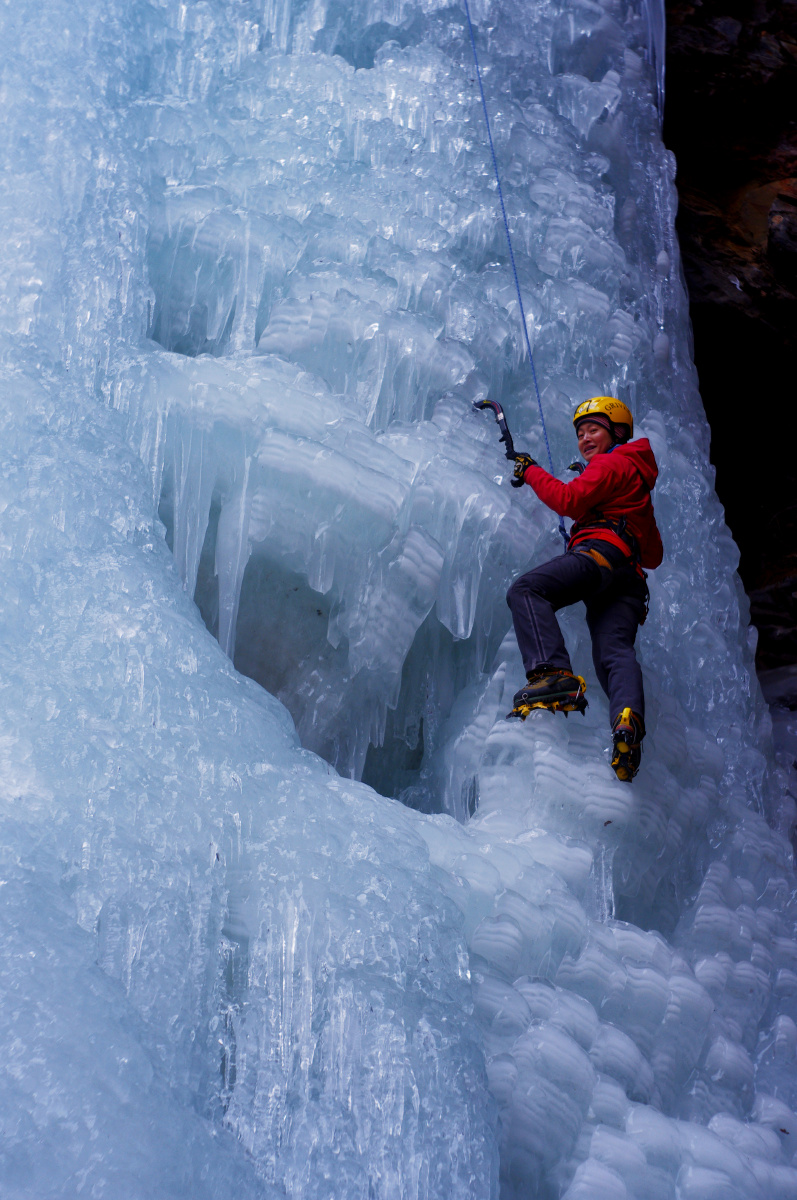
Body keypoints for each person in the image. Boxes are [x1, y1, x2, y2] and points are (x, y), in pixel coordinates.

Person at [506, 396, 663, 782]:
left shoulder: (612, 462)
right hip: (628, 582)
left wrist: (531, 471)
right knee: (613, 655)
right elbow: (654, 554)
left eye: (594, 429)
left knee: (526, 591)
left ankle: (552, 674)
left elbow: (568, 500)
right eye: (580, 433)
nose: (585, 438)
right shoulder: (636, 479)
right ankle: (627, 728)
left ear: (618, 433)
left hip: (600, 558)